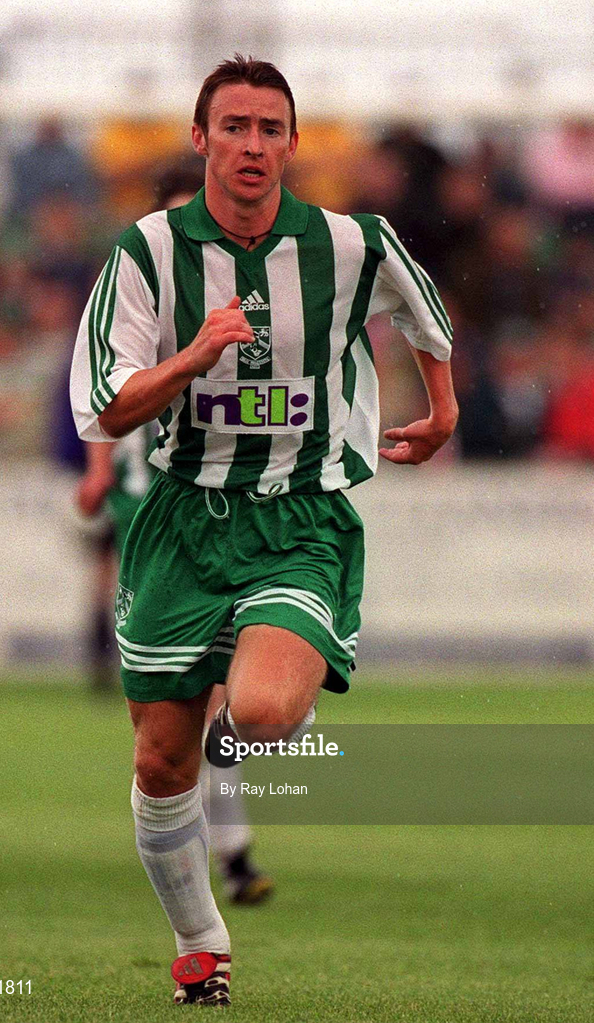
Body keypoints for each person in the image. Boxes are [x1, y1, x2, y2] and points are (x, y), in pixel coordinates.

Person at [70, 55, 458, 1007]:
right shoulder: (147, 253)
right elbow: (108, 408)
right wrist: (197, 351)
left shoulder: (348, 241)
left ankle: (278, 681)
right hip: (177, 521)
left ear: (292, 142)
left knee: (261, 715)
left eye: (270, 128)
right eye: (233, 126)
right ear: (201, 139)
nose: (252, 144)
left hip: (297, 516)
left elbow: (425, 312)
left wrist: (441, 408)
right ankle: (200, 938)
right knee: (162, 758)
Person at [75, 168, 276, 905]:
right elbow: (103, 395)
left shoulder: (241, 293)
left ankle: (232, 852)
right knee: (166, 722)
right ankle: (204, 846)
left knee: (223, 702)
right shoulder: (134, 281)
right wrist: (98, 470)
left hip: (218, 510)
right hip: (147, 509)